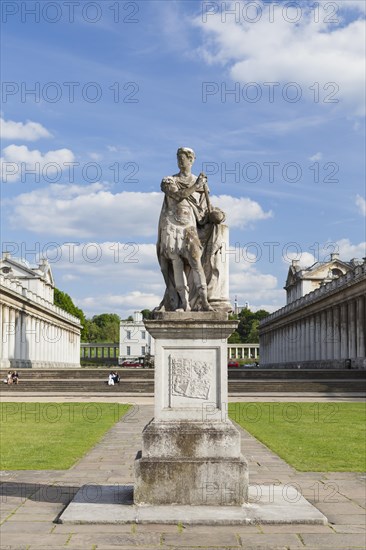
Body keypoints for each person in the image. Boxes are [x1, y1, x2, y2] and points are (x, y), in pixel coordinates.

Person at [157, 147, 229, 312]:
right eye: (179, 158)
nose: (180, 161)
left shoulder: (202, 185)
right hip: (172, 228)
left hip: (190, 228)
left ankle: (204, 301)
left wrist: (217, 215)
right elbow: (178, 195)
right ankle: (183, 303)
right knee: (176, 264)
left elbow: (203, 211)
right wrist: (196, 185)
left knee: (196, 263)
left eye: (184, 158)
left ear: (192, 160)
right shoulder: (169, 180)